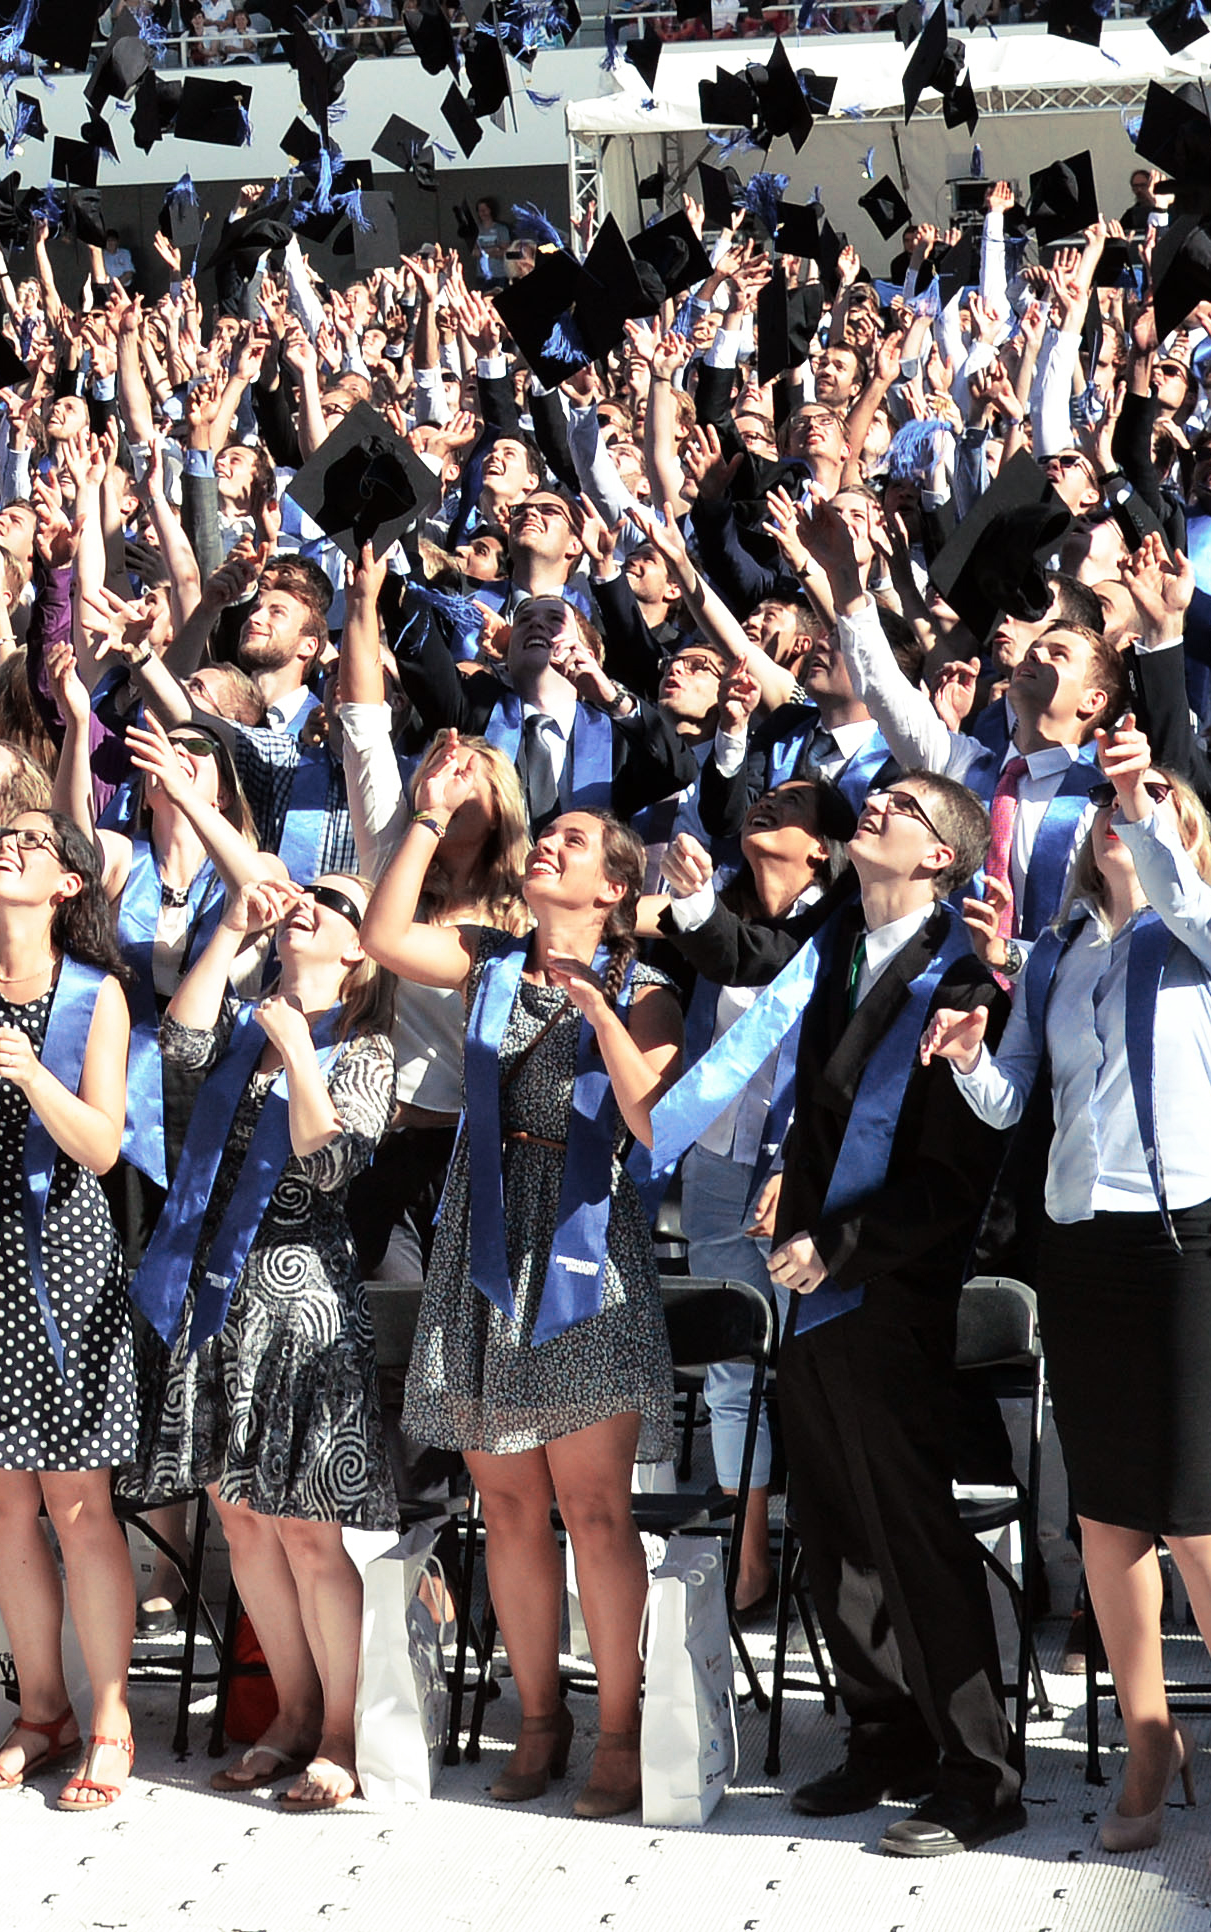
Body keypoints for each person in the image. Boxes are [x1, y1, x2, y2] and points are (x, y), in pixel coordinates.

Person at [939, 736, 1211, 1885]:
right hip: (1079, 1232)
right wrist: (968, 1056)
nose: (1117, 815)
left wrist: (1146, 798)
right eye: (1105, 804)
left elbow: (1183, 895)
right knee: (1104, 1511)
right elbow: (1013, 1102)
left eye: (1146, 804)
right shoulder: (1059, 951)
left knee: (1194, 1506)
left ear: (1178, 830)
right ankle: (1149, 1737)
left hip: (1190, 1232)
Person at [360, 601, 683, 1815]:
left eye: (574, 842)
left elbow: (651, 1120)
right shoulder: (493, 955)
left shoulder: (645, 982)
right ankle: (537, 1718)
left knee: (593, 1505)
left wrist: (598, 1002)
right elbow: (388, 934)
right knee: (503, 1498)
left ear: (613, 886)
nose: (546, 847)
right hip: (483, 1235)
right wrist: (430, 814)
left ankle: (620, 1725)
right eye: (545, 838)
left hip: (580, 1249)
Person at [747, 773, 1024, 1858]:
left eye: (903, 806)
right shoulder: (834, 953)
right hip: (812, 1283)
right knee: (831, 1524)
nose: (875, 806)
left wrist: (840, 1244)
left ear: (944, 857)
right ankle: (884, 1730)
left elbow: (956, 1177)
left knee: (908, 1527)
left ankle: (980, 1769)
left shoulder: (961, 976)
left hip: (891, 1287)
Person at [0, 681, 156, 1815]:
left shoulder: (97, 993)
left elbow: (103, 1145)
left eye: (28, 842)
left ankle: (108, 1713)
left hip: (65, 1263)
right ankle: (39, 1706)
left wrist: (34, 1073)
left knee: (77, 1503)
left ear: (67, 880)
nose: (2, 847)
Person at [139, 869, 392, 1810]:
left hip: (304, 1305)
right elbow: (177, 1044)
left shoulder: (366, 1048)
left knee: (308, 1530)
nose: (309, 907)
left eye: (332, 903)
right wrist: (232, 932)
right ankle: (290, 1712)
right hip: (220, 1300)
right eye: (303, 896)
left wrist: (300, 1054)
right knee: (241, 1518)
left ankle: (341, 1731)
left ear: (359, 948)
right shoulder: (246, 1024)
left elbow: (330, 1167)